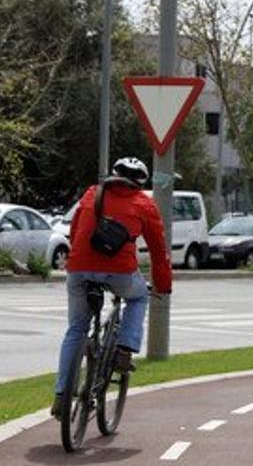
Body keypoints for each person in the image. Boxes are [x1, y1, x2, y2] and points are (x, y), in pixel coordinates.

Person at [52, 157, 173, 418]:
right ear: (140, 183)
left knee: (76, 329)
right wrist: (163, 285)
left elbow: (75, 232)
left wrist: (80, 261)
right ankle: (123, 350)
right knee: (139, 298)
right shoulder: (144, 203)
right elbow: (158, 250)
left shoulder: (91, 194)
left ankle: (62, 394)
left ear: (113, 174)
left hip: (79, 268)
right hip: (120, 272)